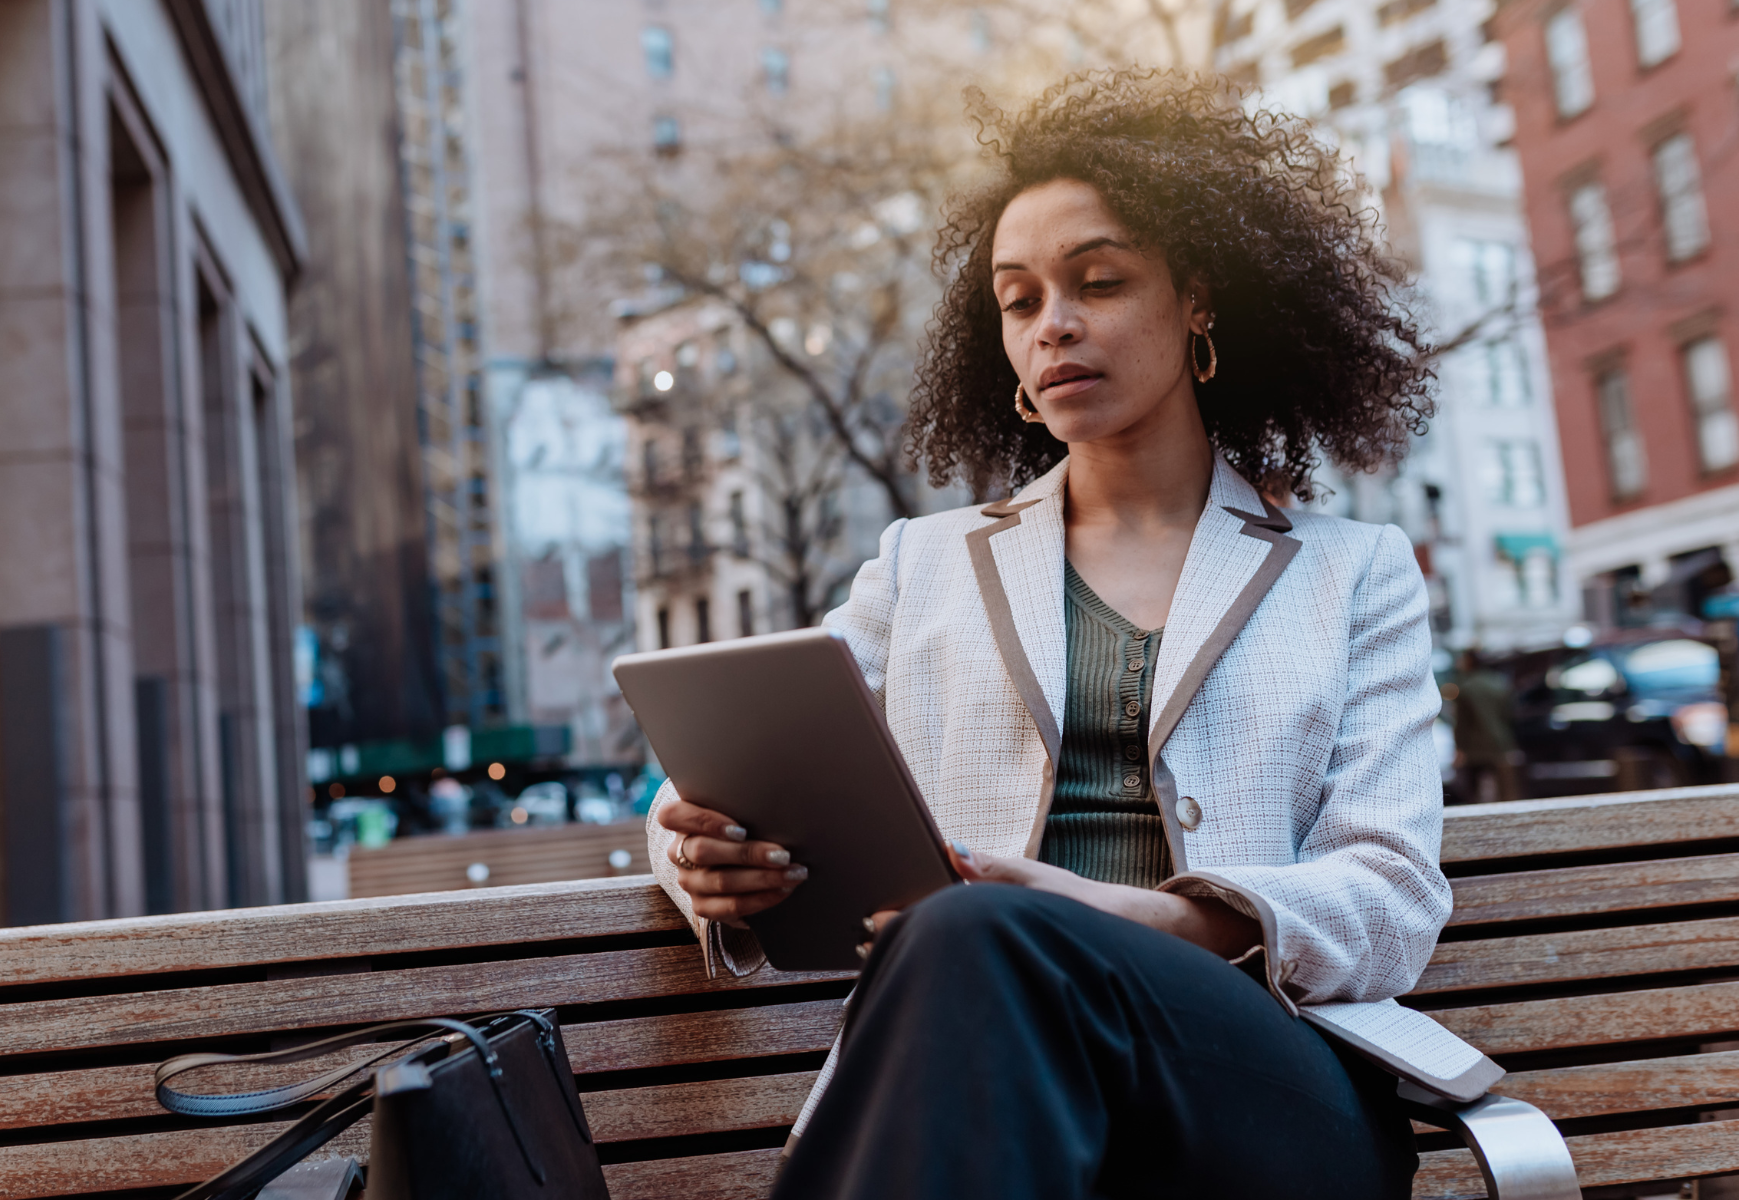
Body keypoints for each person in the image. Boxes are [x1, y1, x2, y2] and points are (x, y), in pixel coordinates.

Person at [646, 71, 1456, 1199]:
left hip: (1263, 1083)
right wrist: (697, 851)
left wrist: (1096, 911)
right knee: (973, 941)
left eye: (1099, 281)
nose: (1052, 325)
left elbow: (1388, 895)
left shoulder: (1352, 574)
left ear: (1200, 300)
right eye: (1017, 300)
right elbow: (740, 764)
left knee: (978, 932)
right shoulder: (917, 564)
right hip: (982, 1075)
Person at [1451, 648, 1522, 804]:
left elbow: (1462, 723)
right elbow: (1509, 715)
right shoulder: (1500, 683)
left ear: (1470, 661)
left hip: (1474, 747)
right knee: (1507, 792)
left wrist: (1459, 748)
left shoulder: (1466, 688)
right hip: (1500, 742)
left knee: (1473, 795)